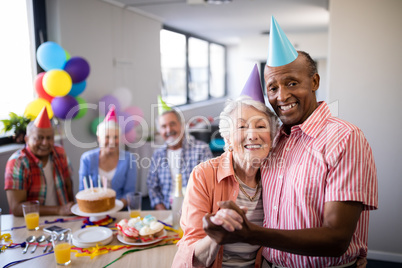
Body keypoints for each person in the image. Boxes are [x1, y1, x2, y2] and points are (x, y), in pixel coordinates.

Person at [203, 16, 378, 268]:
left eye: (292, 83)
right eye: (272, 88)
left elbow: (337, 238)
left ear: (315, 82)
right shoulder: (274, 139)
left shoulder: (345, 138)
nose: (282, 96)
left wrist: (250, 233)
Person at [172, 65, 279, 267]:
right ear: (228, 138)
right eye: (241, 126)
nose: (252, 134)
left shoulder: (279, 176)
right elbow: (190, 252)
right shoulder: (203, 175)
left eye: (261, 126)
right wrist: (216, 235)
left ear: (272, 137)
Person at [4, 107, 74, 216]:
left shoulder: (60, 153)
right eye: (39, 138)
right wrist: (58, 210)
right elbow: (17, 208)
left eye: (49, 138)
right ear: (27, 139)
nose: (45, 143)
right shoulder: (17, 162)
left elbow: (69, 185)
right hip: (33, 224)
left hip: (64, 219)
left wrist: (72, 208)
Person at [147, 96, 213, 210]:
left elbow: (210, 185)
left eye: (172, 124)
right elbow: (152, 187)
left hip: (195, 210)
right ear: (160, 131)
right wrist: (163, 211)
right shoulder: (157, 155)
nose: (168, 130)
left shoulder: (201, 149)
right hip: (167, 212)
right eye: (164, 126)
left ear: (181, 125)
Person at [79, 107, 137, 207]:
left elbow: (129, 192)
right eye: (107, 137)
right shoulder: (87, 159)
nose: (111, 142)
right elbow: (83, 191)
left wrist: (114, 206)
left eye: (115, 137)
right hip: (93, 209)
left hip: (119, 208)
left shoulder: (129, 159)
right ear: (99, 138)